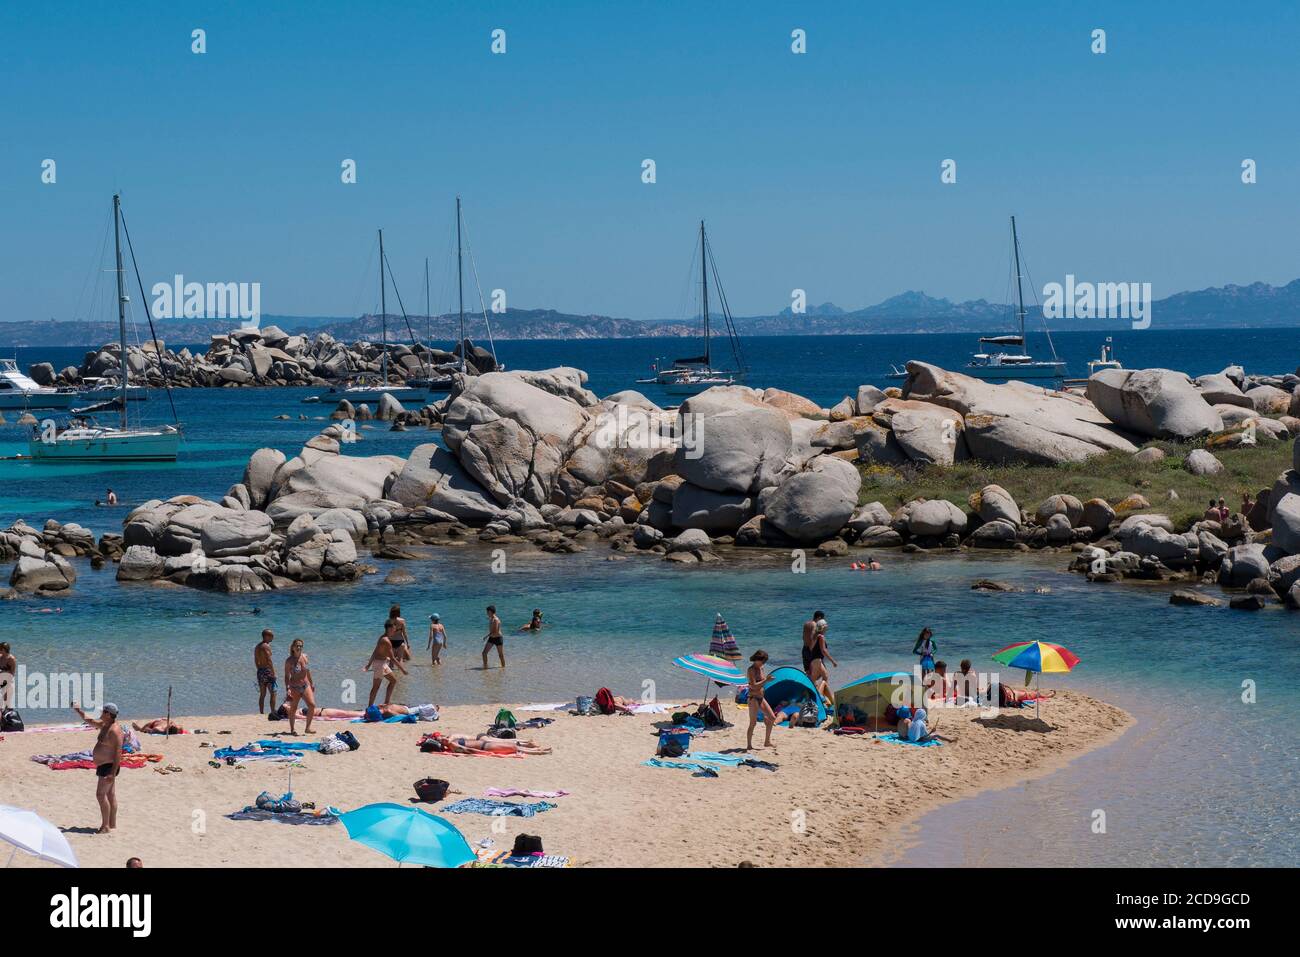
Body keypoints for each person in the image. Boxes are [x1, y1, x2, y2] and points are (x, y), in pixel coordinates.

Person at [72, 701, 122, 833]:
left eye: (102, 712)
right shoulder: (105, 725)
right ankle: (112, 824)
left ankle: (105, 826)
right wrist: (78, 710)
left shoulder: (114, 730)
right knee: (110, 795)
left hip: (109, 766)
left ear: (108, 714)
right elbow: (90, 721)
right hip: (104, 765)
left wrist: (112, 773)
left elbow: (118, 752)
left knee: (100, 795)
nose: (100, 713)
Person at [365, 626, 408, 706]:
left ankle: (386, 702)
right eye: (394, 630)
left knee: (393, 681)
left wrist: (369, 664)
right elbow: (393, 658)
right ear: (389, 629)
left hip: (381, 663)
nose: (395, 632)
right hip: (380, 665)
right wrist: (402, 670)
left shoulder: (382, 637)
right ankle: (370, 707)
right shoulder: (386, 641)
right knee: (376, 686)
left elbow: (376, 651)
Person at [801, 613, 836, 708]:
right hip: (813, 655)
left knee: (817, 677)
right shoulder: (815, 627)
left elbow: (804, 638)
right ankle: (818, 699)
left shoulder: (806, 624)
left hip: (805, 652)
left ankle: (826, 700)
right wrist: (832, 661)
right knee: (815, 679)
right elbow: (818, 646)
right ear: (819, 618)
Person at [745, 650, 777, 750]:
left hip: (761, 698)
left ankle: (767, 741)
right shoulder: (751, 670)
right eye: (762, 661)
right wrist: (766, 680)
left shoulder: (761, 668)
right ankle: (749, 745)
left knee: (772, 717)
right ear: (756, 659)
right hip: (753, 698)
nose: (763, 663)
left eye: (764, 662)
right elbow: (754, 686)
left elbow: (762, 682)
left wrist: (768, 680)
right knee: (753, 723)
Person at [283, 640, 315, 736]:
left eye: (301, 646)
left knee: (312, 705)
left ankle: (307, 728)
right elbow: (286, 676)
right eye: (297, 646)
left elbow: (307, 671)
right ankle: (292, 729)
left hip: (305, 685)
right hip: (294, 687)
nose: (299, 647)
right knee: (293, 708)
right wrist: (287, 688)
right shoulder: (289, 661)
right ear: (293, 647)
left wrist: (312, 683)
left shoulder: (304, 657)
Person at [423, 731, 551, 755]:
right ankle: (538, 752)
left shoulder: (452, 738)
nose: (443, 738)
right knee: (513, 747)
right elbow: (469, 751)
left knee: (512, 746)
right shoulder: (453, 745)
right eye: (441, 740)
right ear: (442, 744)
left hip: (484, 743)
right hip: (485, 746)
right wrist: (484, 753)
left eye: (441, 738)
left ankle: (536, 750)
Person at [254, 629, 277, 715]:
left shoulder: (257, 646)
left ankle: (261, 712)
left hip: (260, 671)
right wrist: (273, 673)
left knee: (262, 694)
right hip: (267, 671)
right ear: (266, 636)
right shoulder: (266, 646)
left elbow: (256, 660)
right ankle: (273, 711)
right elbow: (269, 660)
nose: (273, 637)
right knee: (273, 692)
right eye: (271, 635)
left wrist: (259, 669)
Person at [0, 641, 15, 709]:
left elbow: (12, 674)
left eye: (0, 649)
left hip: (8, 682)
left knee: (7, 704)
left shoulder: (11, 659)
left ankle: (10, 718)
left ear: (3, 649)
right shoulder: (0, 657)